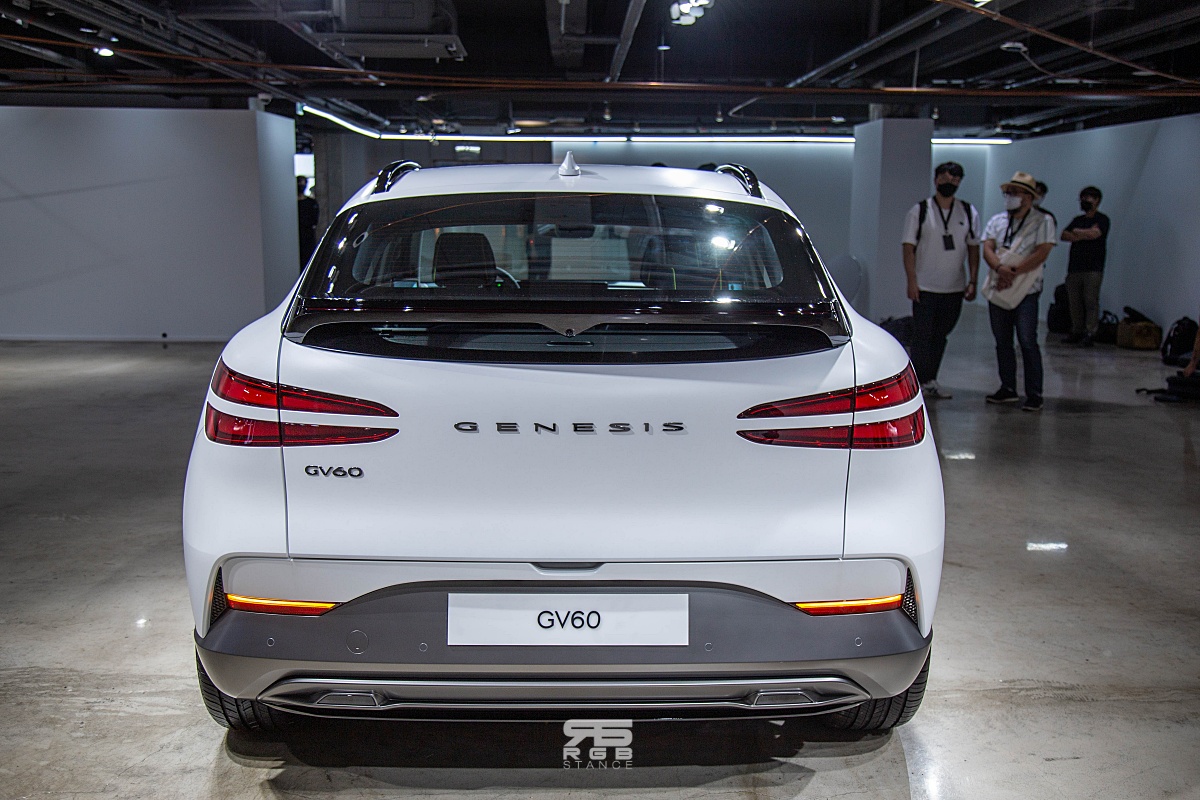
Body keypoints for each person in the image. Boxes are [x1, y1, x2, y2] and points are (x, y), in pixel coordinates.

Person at [900, 161, 982, 399]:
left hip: (954, 287)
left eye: (955, 180)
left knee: (940, 336)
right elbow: (908, 248)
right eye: (945, 179)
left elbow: (973, 248)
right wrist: (911, 281)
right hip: (925, 287)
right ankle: (916, 382)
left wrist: (973, 280)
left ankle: (930, 380)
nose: (950, 183)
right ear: (936, 180)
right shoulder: (920, 211)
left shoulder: (968, 212)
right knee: (922, 336)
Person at [981, 171, 1057, 412]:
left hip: (1027, 290)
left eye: (1016, 192)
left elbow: (1042, 252)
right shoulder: (997, 221)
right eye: (1008, 192)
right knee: (1002, 341)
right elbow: (988, 248)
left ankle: (1034, 393)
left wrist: (1013, 272)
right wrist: (1000, 269)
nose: (1010, 196)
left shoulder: (1043, 221)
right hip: (1000, 286)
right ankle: (1008, 387)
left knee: (1027, 340)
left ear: (1029, 197)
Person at [1059, 186, 1110, 347]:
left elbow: (1095, 234)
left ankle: (1090, 332)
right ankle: (1077, 330)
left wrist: (1077, 233)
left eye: (1088, 198)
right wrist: (1083, 233)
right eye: (1082, 198)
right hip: (1074, 267)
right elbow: (1064, 235)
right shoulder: (1077, 220)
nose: (1084, 201)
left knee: (1090, 300)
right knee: (1074, 301)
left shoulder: (1102, 219)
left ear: (1097, 200)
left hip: (1093, 268)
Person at [297, 176, 319, 270]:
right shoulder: (291, 203)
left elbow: (314, 220)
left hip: (307, 237)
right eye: (299, 183)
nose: (301, 186)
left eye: (303, 183)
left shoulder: (311, 202)